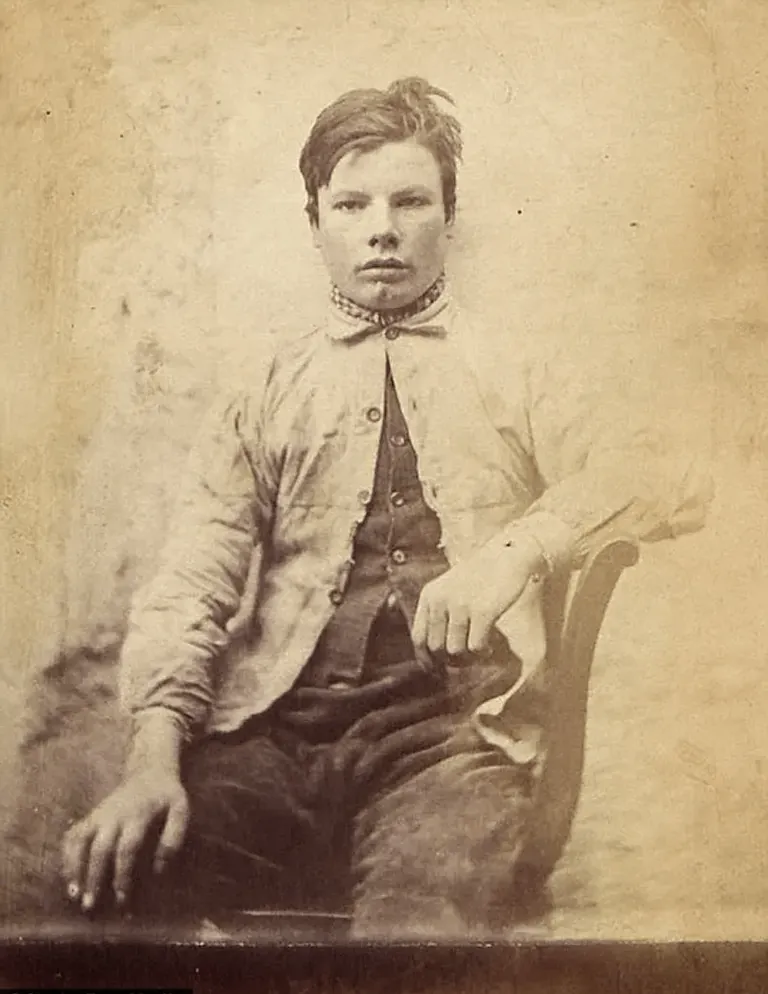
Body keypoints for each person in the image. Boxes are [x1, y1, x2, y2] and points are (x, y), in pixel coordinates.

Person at [60, 77, 710, 938]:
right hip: (276, 735)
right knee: (127, 884)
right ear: (315, 224)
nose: (382, 229)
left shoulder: (514, 367)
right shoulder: (266, 388)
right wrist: (152, 762)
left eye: (412, 201)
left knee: (415, 935)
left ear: (450, 216)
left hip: (452, 744)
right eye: (351, 203)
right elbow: (191, 583)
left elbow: (664, 468)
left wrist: (514, 553)